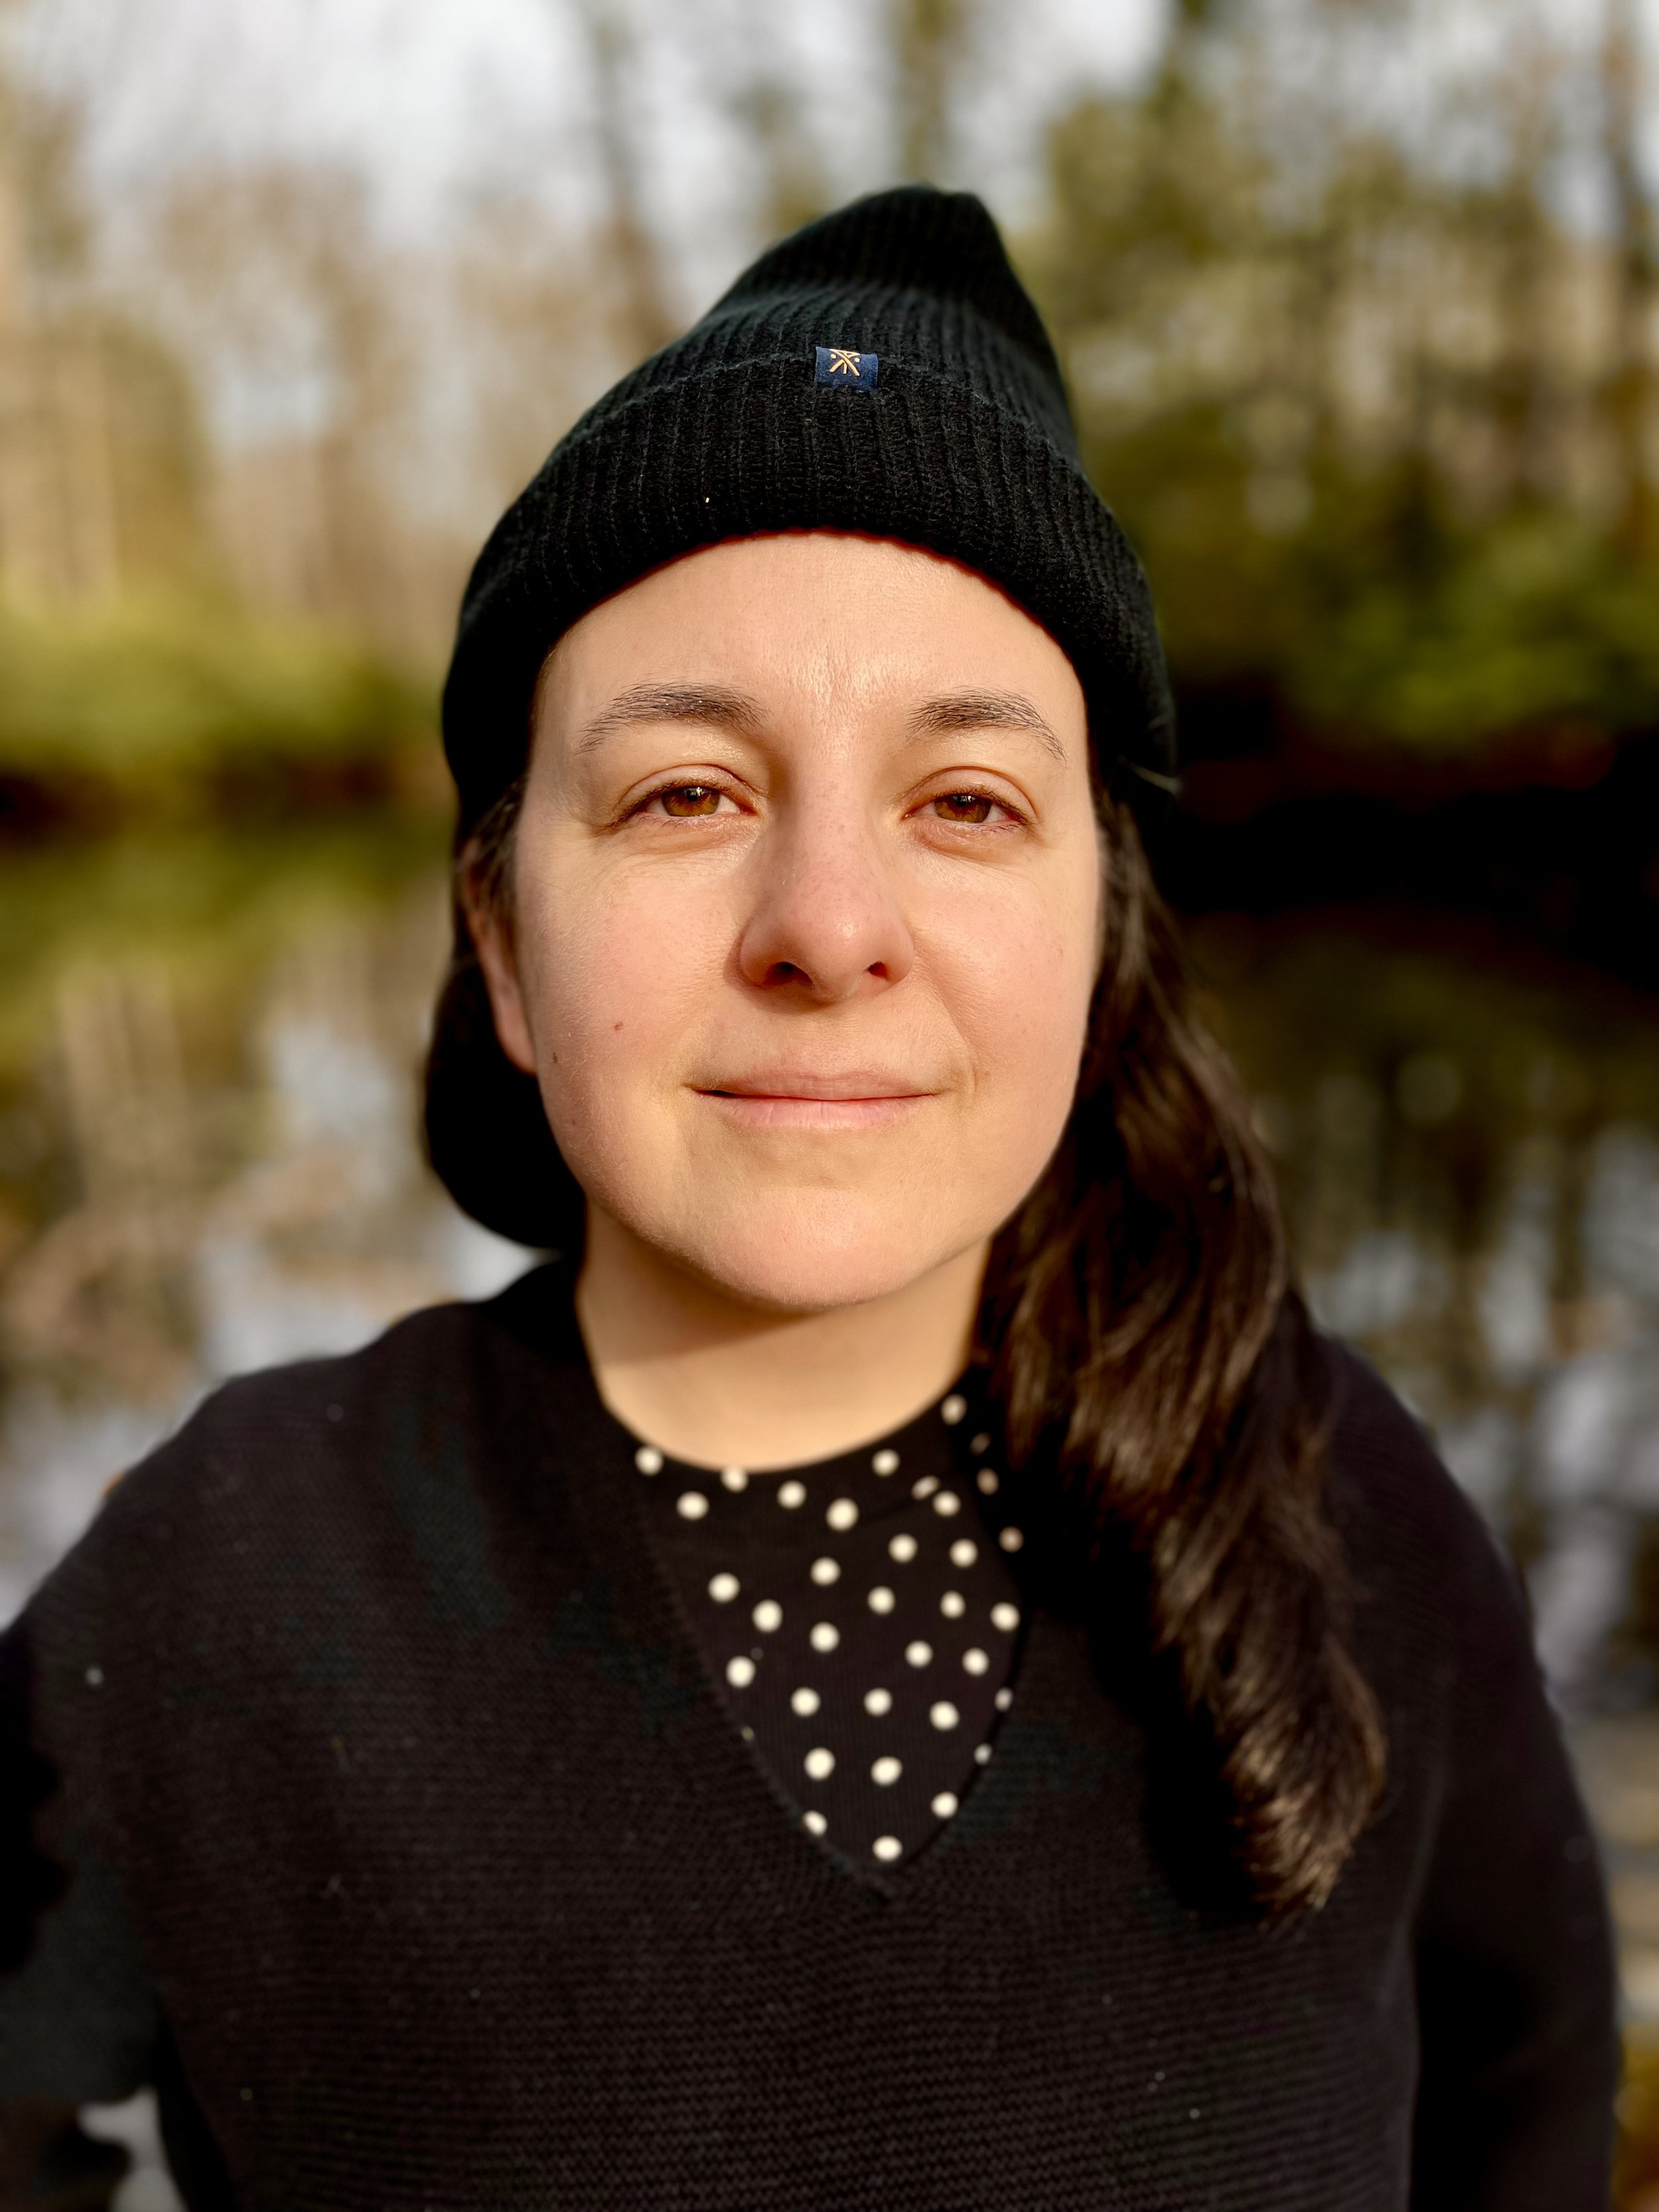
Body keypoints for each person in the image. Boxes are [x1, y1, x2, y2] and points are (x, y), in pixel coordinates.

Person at [0, 186, 1618, 2211]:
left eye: (965, 803)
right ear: (501, 939)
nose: (828, 928)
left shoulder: (1333, 1493)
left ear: (1099, 941)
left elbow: (1532, 2090)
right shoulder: (222, 1588)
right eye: (686, 792)